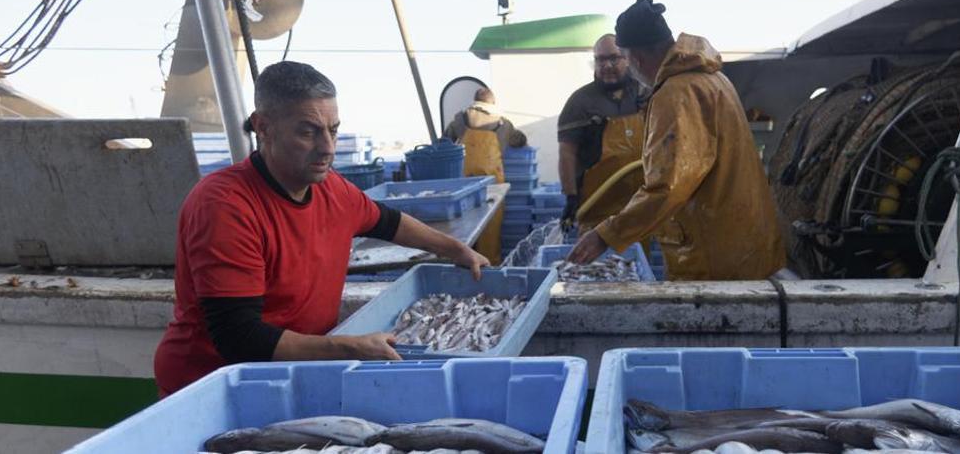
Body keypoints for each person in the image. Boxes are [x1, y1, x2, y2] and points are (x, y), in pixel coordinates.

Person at [153, 61, 488, 395]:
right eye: (308, 131)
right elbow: (239, 338)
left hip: (291, 374)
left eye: (333, 130)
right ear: (263, 127)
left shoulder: (332, 189)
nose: (328, 147)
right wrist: (351, 348)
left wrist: (456, 250)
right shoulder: (225, 205)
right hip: (211, 385)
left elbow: (388, 222)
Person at [566, 0, 785, 280]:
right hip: (746, 242)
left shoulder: (675, 93)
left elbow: (669, 186)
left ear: (636, 58)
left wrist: (605, 235)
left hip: (715, 256)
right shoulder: (713, 77)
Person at [557, 34, 648, 231]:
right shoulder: (579, 102)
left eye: (614, 58)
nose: (607, 65)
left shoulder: (645, 93)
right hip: (597, 205)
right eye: (600, 59)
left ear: (627, 58)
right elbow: (567, 153)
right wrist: (571, 197)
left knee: (638, 257)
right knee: (595, 259)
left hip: (639, 205)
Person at [444, 87, 526, 262]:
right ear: (493, 102)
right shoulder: (504, 123)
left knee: (463, 226)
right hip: (493, 183)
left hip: (464, 183)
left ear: (474, 101)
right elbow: (519, 140)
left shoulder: (460, 119)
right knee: (490, 226)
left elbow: (445, 142)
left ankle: (463, 261)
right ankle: (489, 264)